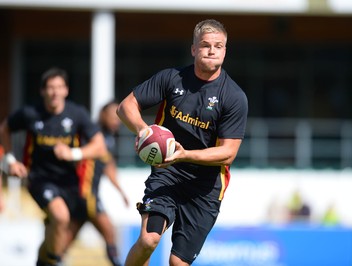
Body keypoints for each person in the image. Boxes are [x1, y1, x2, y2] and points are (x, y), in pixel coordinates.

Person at [117, 19, 248, 266]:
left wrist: (184, 154)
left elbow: (228, 153)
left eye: (218, 46)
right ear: (193, 49)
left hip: (206, 186)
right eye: (205, 45)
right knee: (148, 241)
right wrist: (144, 132)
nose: (211, 50)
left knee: (178, 262)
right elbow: (126, 107)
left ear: (225, 50)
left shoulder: (234, 97)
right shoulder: (171, 78)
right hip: (168, 172)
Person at [0, 67, 107, 266]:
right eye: (50, 87)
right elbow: (5, 128)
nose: (55, 92)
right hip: (39, 179)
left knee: (56, 232)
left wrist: (73, 153)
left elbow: (99, 146)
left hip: (69, 183)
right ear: (43, 91)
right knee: (61, 216)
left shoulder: (77, 113)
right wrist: (10, 161)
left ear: (66, 90)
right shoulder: (30, 112)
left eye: (59, 87)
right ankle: (56, 262)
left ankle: (43, 262)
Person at [64, 101, 129, 266]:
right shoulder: (92, 134)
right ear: (103, 115)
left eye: (118, 116)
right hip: (85, 193)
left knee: (66, 239)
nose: (117, 120)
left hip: (87, 194)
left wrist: (121, 191)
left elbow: (108, 166)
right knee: (109, 231)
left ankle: (51, 259)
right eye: (113, 115)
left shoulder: (108, 138)